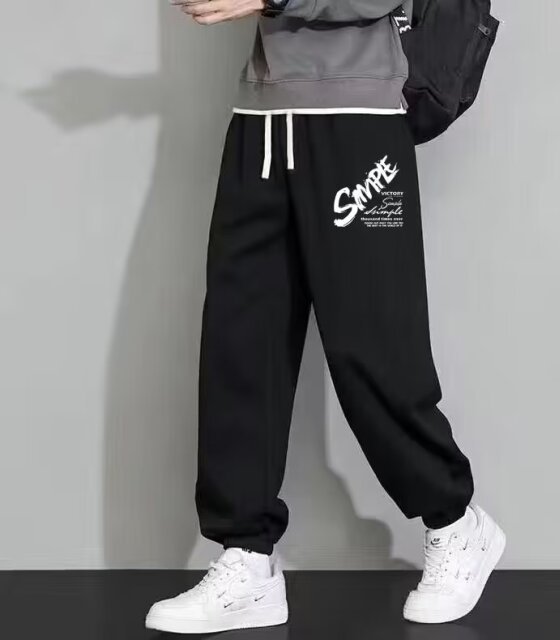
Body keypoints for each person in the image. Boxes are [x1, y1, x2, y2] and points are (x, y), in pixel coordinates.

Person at [146, 0, 505, 634]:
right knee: (241, 345)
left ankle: (456, 523)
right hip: (261, 118)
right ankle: (247, 556)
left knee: (373, 347)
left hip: (358, 119)